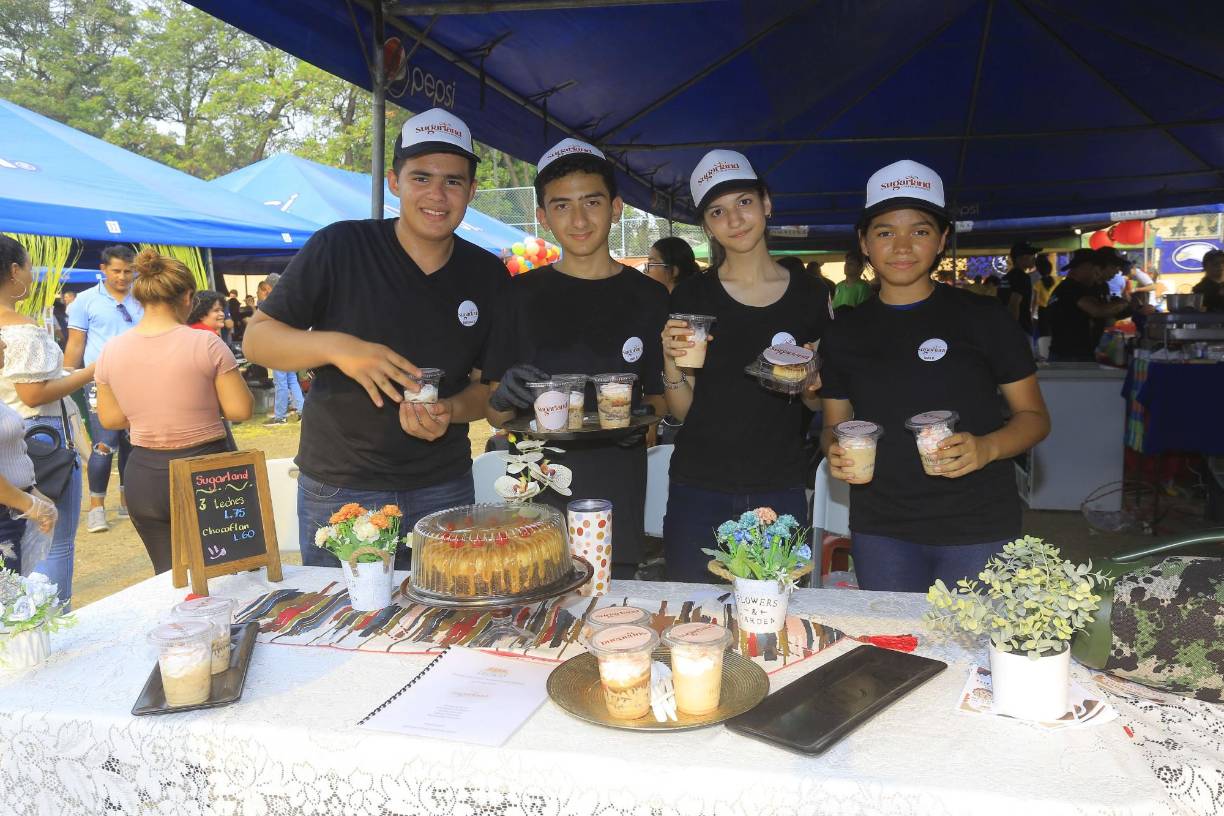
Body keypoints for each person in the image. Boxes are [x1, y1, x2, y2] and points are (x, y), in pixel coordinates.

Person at [243, 108, 507, 569]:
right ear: (394, 181)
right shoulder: (340, 247)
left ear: (472, 190)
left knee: (441, 617)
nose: (437, 195)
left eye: (453, 181)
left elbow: (487, 390)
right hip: (342, 485)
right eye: (421, 177)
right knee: (343, 622)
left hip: (442, 483)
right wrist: (338, 347)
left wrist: (449, 411)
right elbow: (258, 340)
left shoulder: (486, 273)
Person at [820, 159, 1050, 593]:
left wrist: (988, 447)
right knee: (894, 650)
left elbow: (1035, 417)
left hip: (978, 523)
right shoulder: (844, 331)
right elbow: (834, 424)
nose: (902, 246)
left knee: (978, 652)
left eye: (920, 231)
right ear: (864, 243)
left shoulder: (985, 318)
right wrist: (835, 449)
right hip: (882, 526)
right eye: (885, 232)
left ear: (942, 239)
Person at [485, 139, 668, 578]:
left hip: (616, 492)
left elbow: (661, 398)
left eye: (592, 202)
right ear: (542, 217)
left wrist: (641, 419)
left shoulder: (650, 298)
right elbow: (493, 410)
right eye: (562, 206)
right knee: (535, 608)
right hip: (535, 489)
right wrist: (504, 397)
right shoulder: (518, 297)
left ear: (617, 207)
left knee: (608, 606)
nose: (580, 219)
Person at [660, 150, 828, 582]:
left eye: (744, 203)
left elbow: (815, 407)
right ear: (707, 225)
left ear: (767, 203)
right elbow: (684, 412)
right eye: (718, 211)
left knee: (772, 627)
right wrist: (670, 360)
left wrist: (811, 386)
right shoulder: (691, 298)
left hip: (780, 487)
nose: (734, 220)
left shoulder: (811, 296)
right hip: (698, 487)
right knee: (692, 622)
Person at [94, 250, 252, 575]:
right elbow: (240, 408)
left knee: (168, 581)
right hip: (208, 469)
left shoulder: (112, 350)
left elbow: (110, 419)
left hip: (145, 473)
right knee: (227, 577)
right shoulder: (206, 344)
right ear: (188, 297)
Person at [0, 236, 82, 598]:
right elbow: (33, 394)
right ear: (15, 271)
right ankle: (48, 627)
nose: (33, 275)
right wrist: (94, 370)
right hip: (39, 439)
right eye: (30, 266)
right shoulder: (20, 329)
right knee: (53, 543)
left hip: (17, 438)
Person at [64, 245, 142, 532]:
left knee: (134, 443)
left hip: (139, 381)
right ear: (103, 269)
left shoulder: (144, 297)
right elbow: (75, 344)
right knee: (104, 443)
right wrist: (65, 380)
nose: (123, 276)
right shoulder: (84, 301)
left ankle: (127, 501)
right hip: (101, 382)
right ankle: (96, 508)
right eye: (116, 270)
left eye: (128, 271)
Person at [1046, 249, 1130, 362]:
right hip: (1069, 356)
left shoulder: (1088, 288)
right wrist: (1123, 303)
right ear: (1085, 267)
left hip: (1080, 353)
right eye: (1096, 269)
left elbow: (1103, 318)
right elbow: (1097, 311)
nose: (1097, 274)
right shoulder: (1069, 288)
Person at [998, 240, 1037, 336]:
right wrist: (1014, 331)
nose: (1034, 259)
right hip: (1020, 329)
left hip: (1005, 327)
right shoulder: (1022, 277)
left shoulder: (1006, 278)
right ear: (1022, 258)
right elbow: (1014, 303)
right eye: (1032, 255)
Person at [1032, 255, 1059, 361]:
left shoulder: (1037, 283)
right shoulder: (1057, 281)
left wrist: (1031, 315)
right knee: (1054, 332)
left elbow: (1035, 302)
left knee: (1044, 334)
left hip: (1043, 311)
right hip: (1055, 310)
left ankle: (1045, 356)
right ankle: (1055, 354)